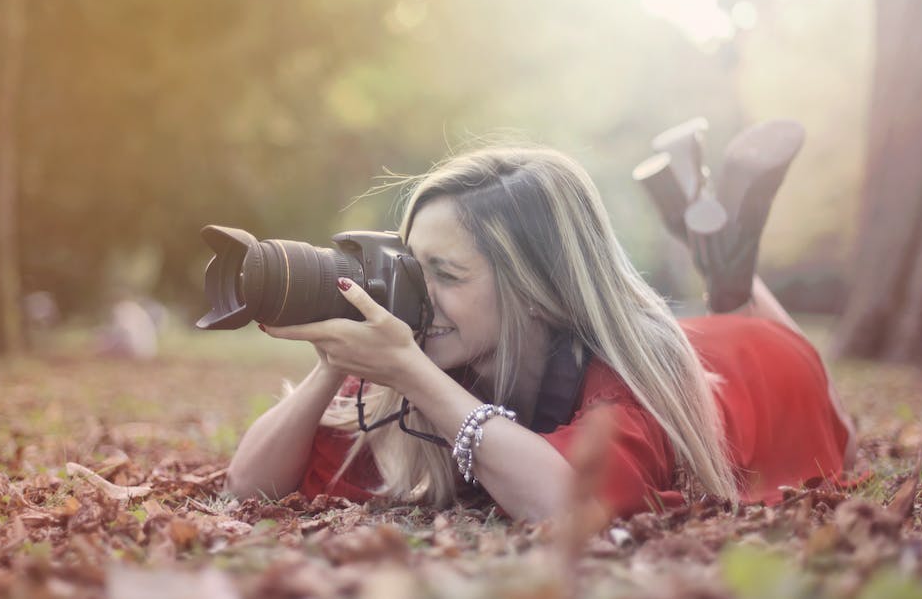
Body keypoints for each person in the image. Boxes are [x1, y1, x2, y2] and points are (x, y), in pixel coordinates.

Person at [224, 141, 856, 522]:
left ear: (538, 293)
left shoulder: (626, 380)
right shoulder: (425, 354)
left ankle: (731, 277)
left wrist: (412, 373)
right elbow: (247, 487)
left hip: (750, 370)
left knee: (841, 427)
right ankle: (718, 250)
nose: (418, 294)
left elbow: (568, 504)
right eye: (413, 267)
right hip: (689, 344)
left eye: (445, 274)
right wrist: (334, 358)